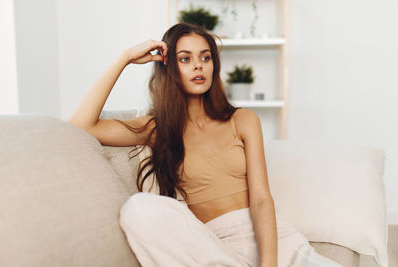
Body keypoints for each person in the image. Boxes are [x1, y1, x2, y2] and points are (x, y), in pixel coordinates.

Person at [68, 23, 342, 267]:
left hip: (276, 243)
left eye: (205, 57)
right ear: (170, 69)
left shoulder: (243, 120)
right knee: (138, 209)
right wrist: (125, 58)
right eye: (185, 59)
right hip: (214, 247)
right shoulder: (158, 128)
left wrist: (268, 264)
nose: (198, 66)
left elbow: (260, 199)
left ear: (214, 66)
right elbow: (81, 126)